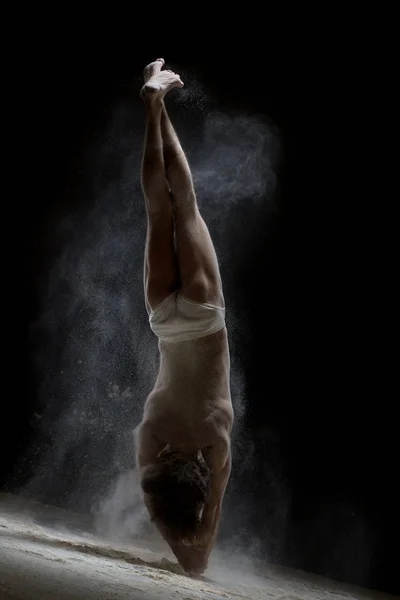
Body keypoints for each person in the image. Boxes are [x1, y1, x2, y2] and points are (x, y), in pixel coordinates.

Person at [135, 58, 234, 576]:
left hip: (203, 314)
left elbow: (208, 518)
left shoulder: (217, 438)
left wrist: (197, 550)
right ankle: (153, 108)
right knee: (159, 209)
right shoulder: (151, 435)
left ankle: (158, 99)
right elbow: (158, 502)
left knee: (186, 205)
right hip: (165, 322)